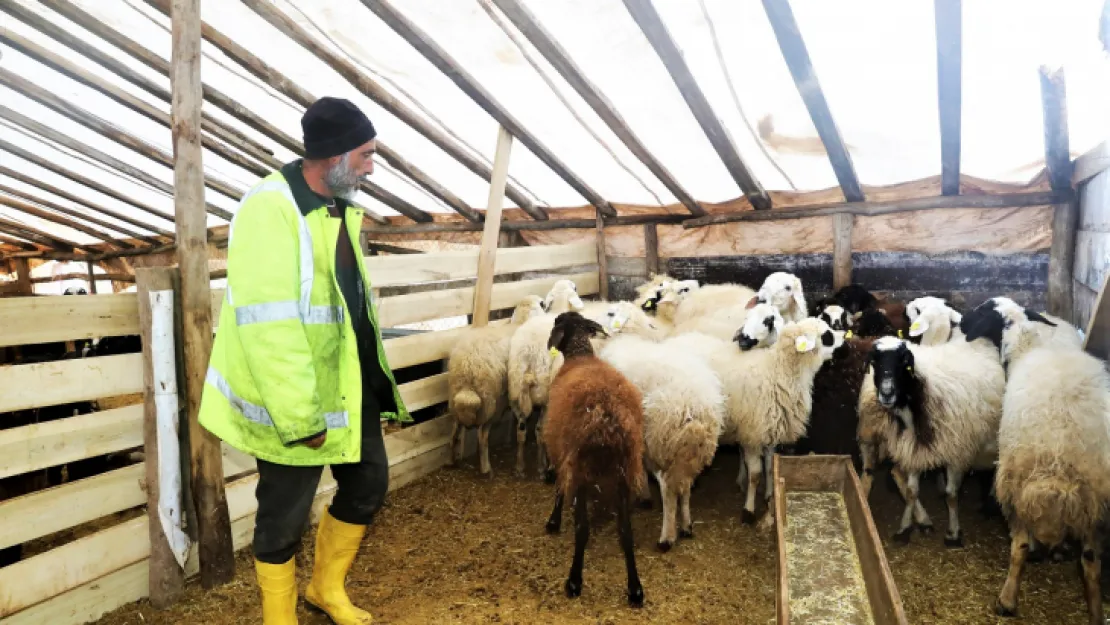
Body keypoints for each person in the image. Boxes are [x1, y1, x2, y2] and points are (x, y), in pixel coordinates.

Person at [198, 96, 410, 625]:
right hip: (290, 398)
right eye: (365, 154)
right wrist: (300, 417)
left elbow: (342, 305)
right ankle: (278, 616)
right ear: (334, 155)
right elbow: (268, 324)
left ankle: (324, 589)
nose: (370, 166)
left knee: (367, 486)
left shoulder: (339, 205)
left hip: (345, 385)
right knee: (283, 517)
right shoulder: (270, 207)